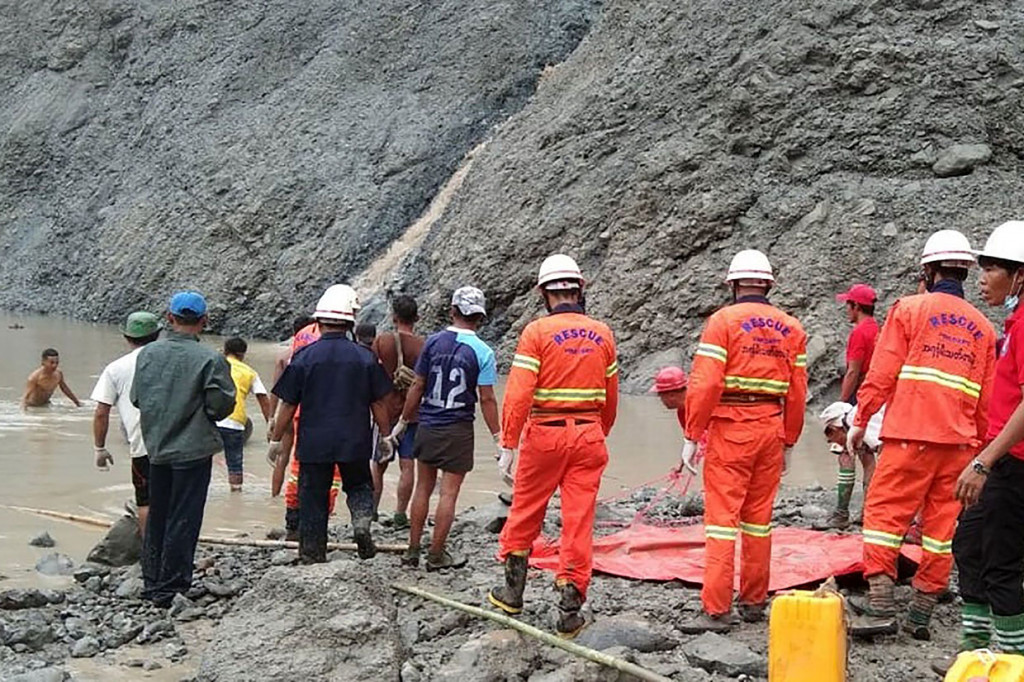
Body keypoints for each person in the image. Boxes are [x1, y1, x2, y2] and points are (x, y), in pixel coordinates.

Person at [847, 229, 996, 639]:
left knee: (883, 516)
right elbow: (986, 400)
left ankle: (880, 605)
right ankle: (921, 614)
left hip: (909, 436)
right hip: (960, 445)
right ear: (965, 272)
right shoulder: (984, 328)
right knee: (941, 530)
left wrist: (861, 419)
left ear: (928, 270)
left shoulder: (909, 309)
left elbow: (882, 371)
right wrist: (980, 453)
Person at [677, 249, 808, 633]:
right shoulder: (792, 327)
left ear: (734, 285)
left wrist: (692, 433)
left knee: (721, 521)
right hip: (770, 427)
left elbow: (706, 383)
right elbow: (798, 392)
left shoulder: (723, 322)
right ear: (767, 284)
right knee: (758, 521)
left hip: (731, 428)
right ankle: (753, 600)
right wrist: (790, 440)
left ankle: (716, 608)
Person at [488, 254, 619, 639]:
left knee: (526, 510)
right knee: (578, 521)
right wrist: (598, 432)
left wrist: (508, 443)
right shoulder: (603, 333)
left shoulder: (536, 333)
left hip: (544, 432)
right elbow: (610, 398)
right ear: (579, 290)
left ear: (545, 293)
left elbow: (518, 393)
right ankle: (569, 610)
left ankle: (512, 593)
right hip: (589, 433)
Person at [270, 284, 393, 563]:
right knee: (359, 486)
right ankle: (361, 523)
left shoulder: (303, 357)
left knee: (312, 496)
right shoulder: (365, 357)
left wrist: (277, 439)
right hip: (354, 439)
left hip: (313, 442)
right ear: (351, 321)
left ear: (318, 321)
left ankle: (313, 553)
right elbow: (379, 403)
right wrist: (385, 436)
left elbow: (288, 403)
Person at [949, 221, 1024, 658]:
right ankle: (975, 654)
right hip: (1001, 460)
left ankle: (1012, 662)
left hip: (1013, 465)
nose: (981, 278)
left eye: (991, 267)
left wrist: (983, 463)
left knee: (1002, 564)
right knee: (970, 547)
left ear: (1020, 275)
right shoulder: (1013, 325)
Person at [131, 292, 235, 607]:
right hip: (192, 451)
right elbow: (221, 407)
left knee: (159, 512)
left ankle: (152, 581)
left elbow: (137, 398)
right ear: (204, 321)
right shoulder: (211, 359)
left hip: (157, 449)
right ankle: (172, 586)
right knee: (184, 516)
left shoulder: (148, 354)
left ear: (170, 318)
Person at [389, 287, 500, 570]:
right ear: (480, 317)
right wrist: (499, 437)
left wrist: (403, 421)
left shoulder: (434, 342)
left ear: (452, 311)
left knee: (423, 489)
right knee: (449, 493)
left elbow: (417, 384)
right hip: (458, 429)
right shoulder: (484, 352)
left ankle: (412, 551)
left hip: (427, 423)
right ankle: (436, 555)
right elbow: (487, 398)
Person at [91, 311, 162, 535]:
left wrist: (100, 448)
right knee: (175, 500)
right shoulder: (171, 361)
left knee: (146, 502)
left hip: (142, 446)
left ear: (126, 337)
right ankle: (177, 553)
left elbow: (102, 412)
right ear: (158, 334)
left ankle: (150, 556)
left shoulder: (115, 369)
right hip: (179, 444)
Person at [821, 284, 879, 529]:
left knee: (844, 450)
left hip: (859, 396)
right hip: (876, 397)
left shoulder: (860, 333)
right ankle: (869, 513)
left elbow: (853, 371)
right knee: (868, 456)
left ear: (856, 306)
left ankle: (841, 513)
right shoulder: (879, 329)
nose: (846, 309)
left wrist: (842, 405)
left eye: (848, 304)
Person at [371, 295, 425, 529]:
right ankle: (400, 514)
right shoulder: (423, 345)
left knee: (378, 464)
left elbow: (369, 371)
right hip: (412, 413)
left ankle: (371, 512)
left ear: (394, 317)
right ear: (417, 318)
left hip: (384, 411)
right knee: (407, 465)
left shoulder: (382, 341)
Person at [215, 338, 272, 491]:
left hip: (211, 420)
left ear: (225, 350)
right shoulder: (249, 372)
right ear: (242, 355)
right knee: (235, 462)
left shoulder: (213, 365)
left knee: (203, 460)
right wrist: (271, 427)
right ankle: (236, 492)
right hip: (236, 422)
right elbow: (263, 400)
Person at [818, 401, 882, 529]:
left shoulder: (861, 424)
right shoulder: (858, 420)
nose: (829, 441)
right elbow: (869, 465)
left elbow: (886, 453)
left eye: (830, 437)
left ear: (836, 429)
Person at [268, 316, 315, 426]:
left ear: (294, 333)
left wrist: (271, 417)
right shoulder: (320, 355)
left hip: (289, 408)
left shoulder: (283, 357)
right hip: (312, 409)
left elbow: (276, 389)